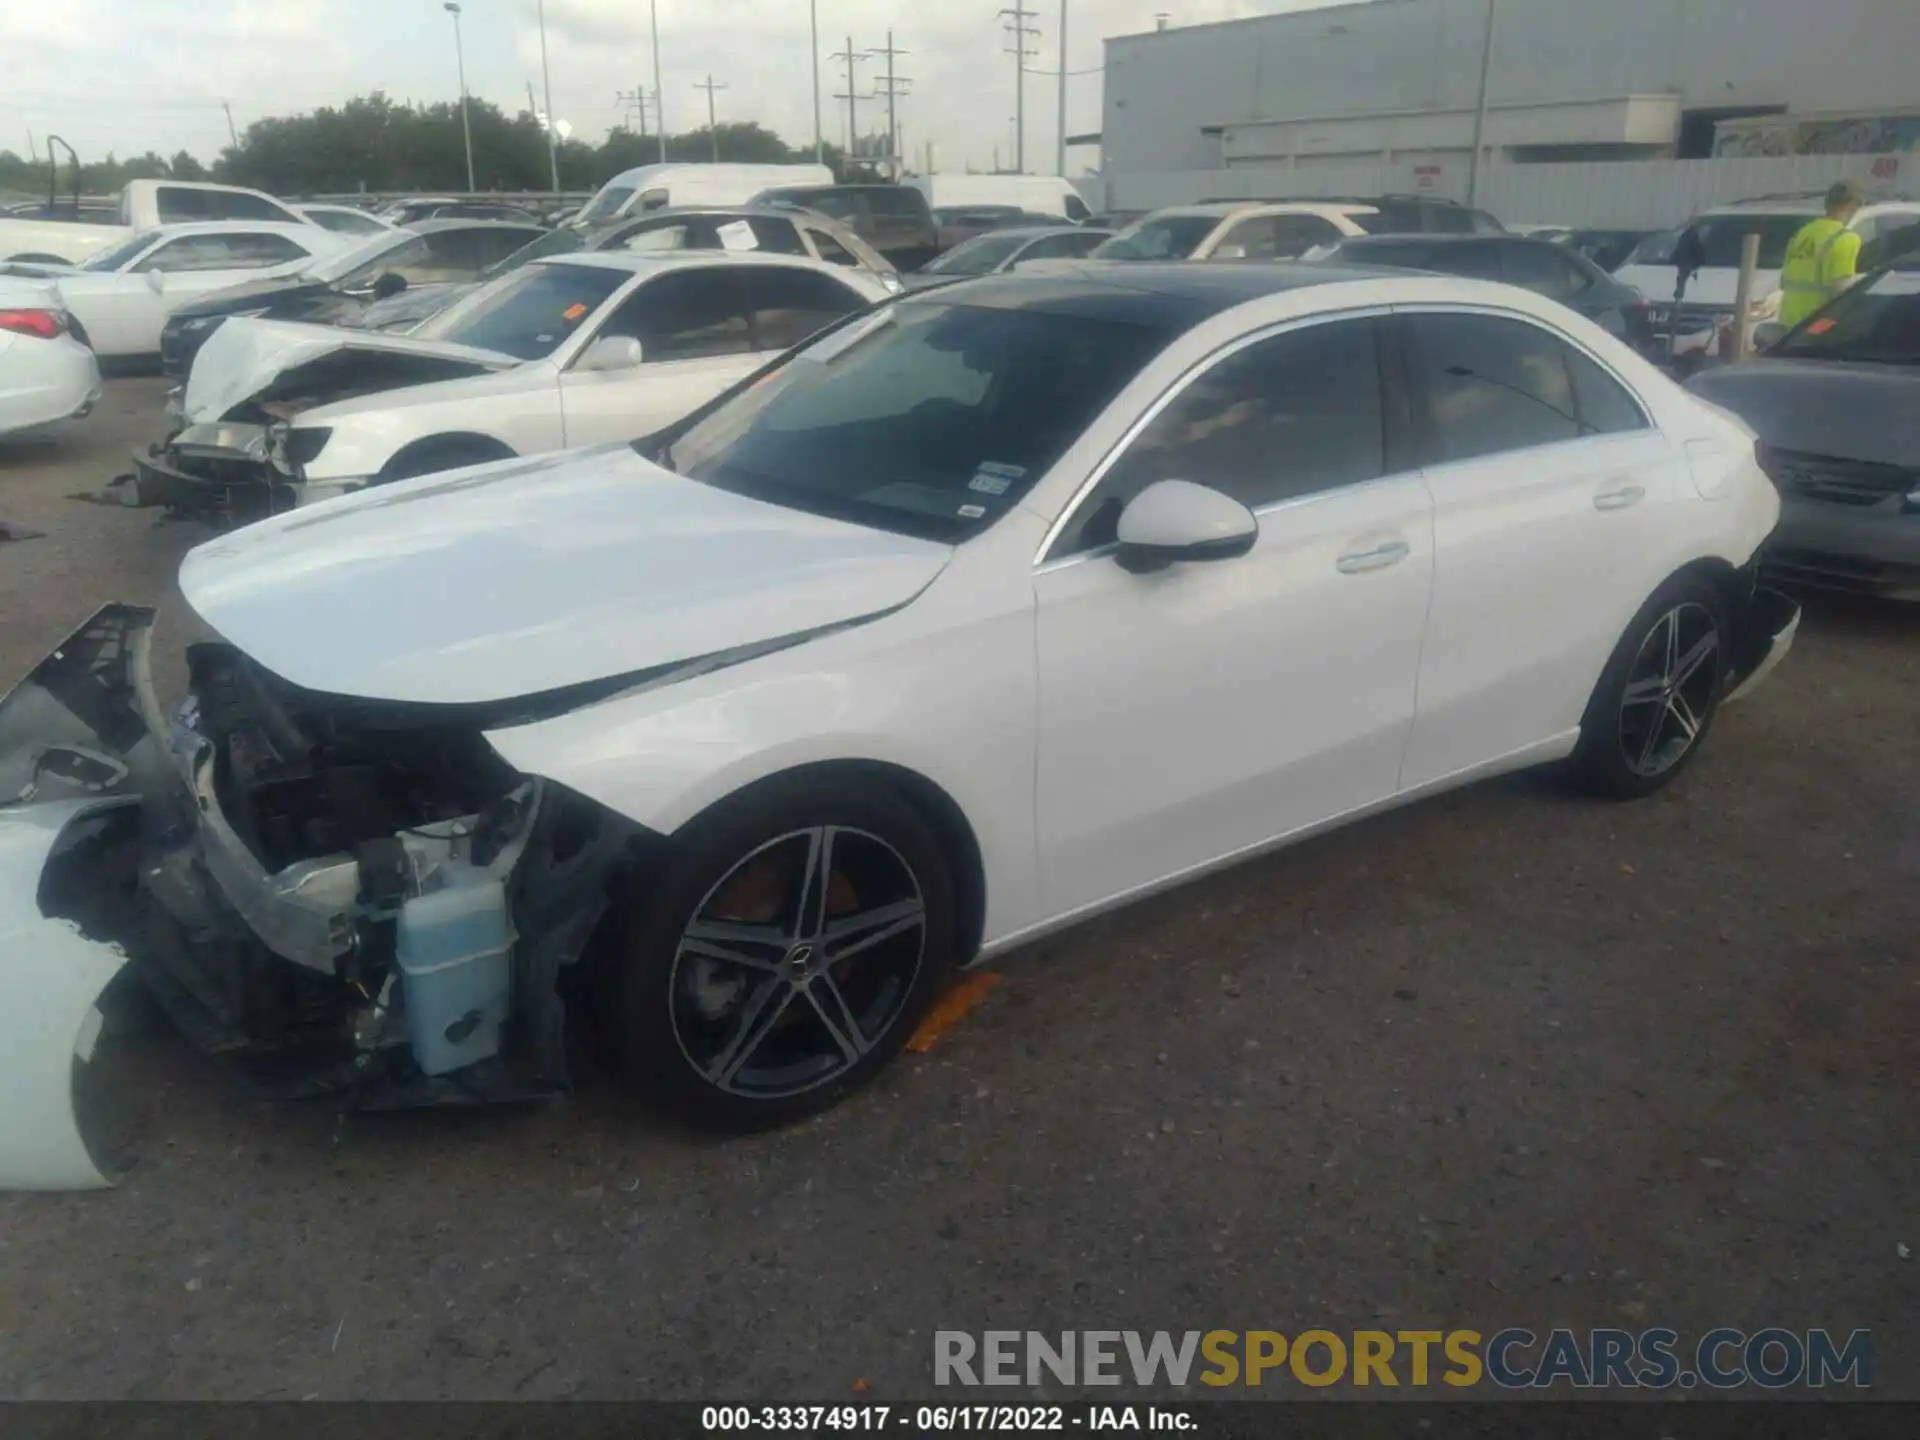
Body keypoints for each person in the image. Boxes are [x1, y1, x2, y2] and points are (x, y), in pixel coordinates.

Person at [1778, 182, 1866, 328]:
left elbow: (1784, 279)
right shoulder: (1846, 238)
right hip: (1817, 324)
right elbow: (1841, 289)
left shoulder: (1802, 233)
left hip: (1787, 321)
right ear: (1851, 205)